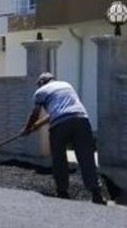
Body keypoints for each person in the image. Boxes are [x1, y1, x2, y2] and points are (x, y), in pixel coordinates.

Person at [22, 73, 106, 204]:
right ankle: (96, 193)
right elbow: (58, 112)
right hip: (81, 120)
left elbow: (35, 113)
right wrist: (36, 126)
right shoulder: (67, 85)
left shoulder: (41, 91)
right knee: (86, 157)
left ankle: (62, 192)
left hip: (60, 126)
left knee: (59, 158)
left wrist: (27, 128)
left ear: (42, 83)